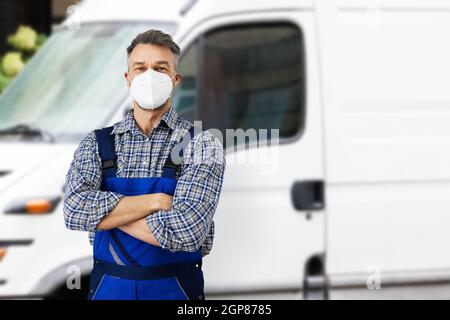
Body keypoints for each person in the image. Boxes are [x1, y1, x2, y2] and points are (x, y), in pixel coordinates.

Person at [63, 29, 225, 300]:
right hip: (109, 290)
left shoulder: (202, 145)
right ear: (128, 78)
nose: (150, 76)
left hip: (175, 291)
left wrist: (106, 218)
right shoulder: (96, 143)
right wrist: (157, 201)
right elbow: (74, 211)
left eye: (160, 69)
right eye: (141, 68)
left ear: (175, 80)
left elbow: (186, 231)